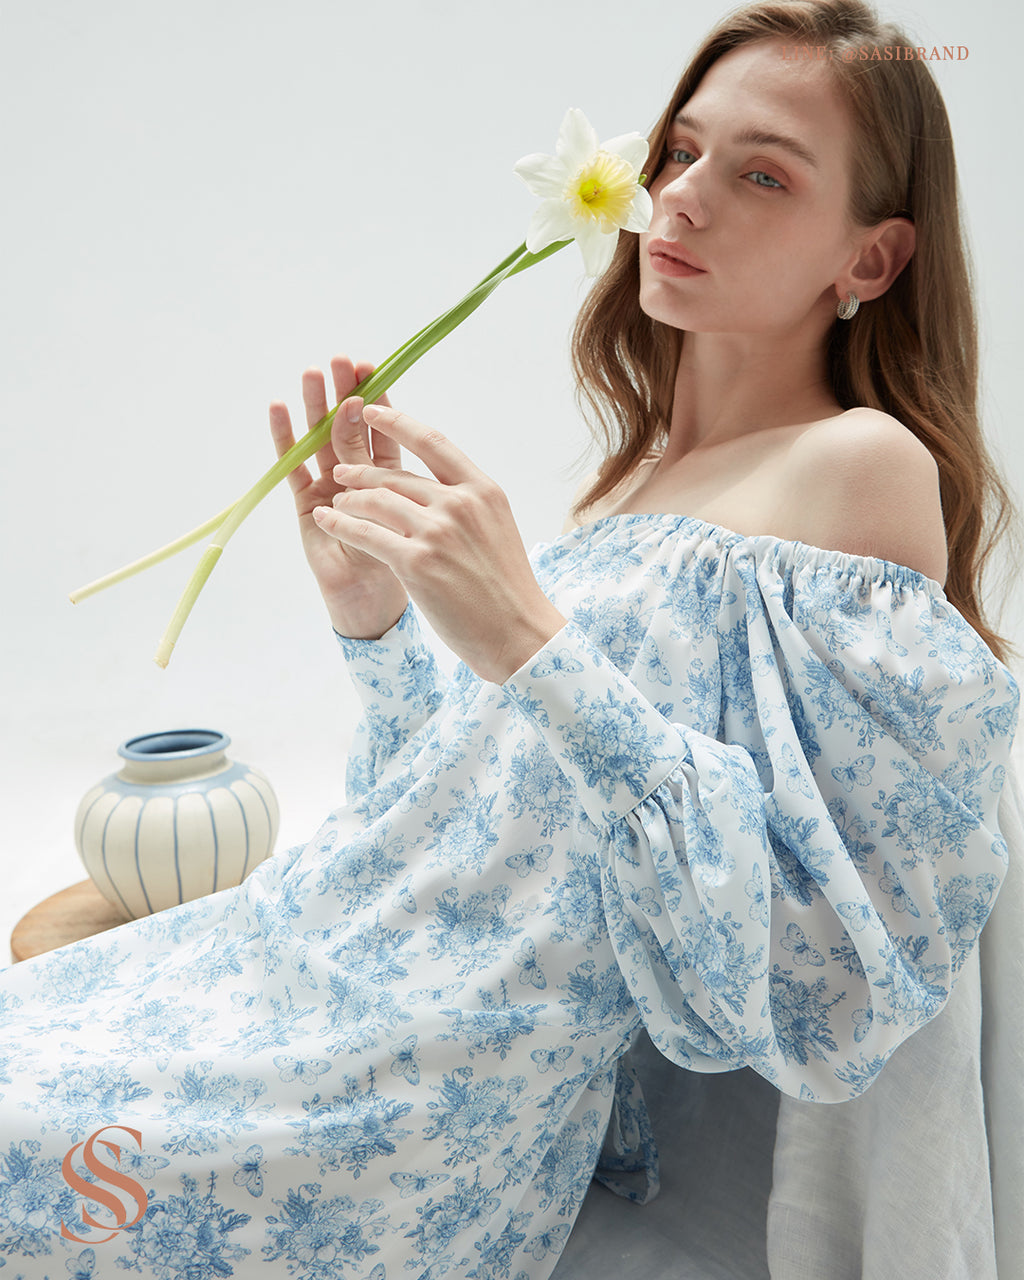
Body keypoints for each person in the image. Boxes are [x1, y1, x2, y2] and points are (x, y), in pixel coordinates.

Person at [0, 1, 1019, 1277]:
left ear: (869, 259)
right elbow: (467, 833)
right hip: (298, 969)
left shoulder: (858, 464)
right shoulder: (627, 489)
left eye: (762, 174)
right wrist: (376, 622)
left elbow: (806, 943)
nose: (681, 197)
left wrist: (534, 638)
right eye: (679, 152)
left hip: (416, 1093)